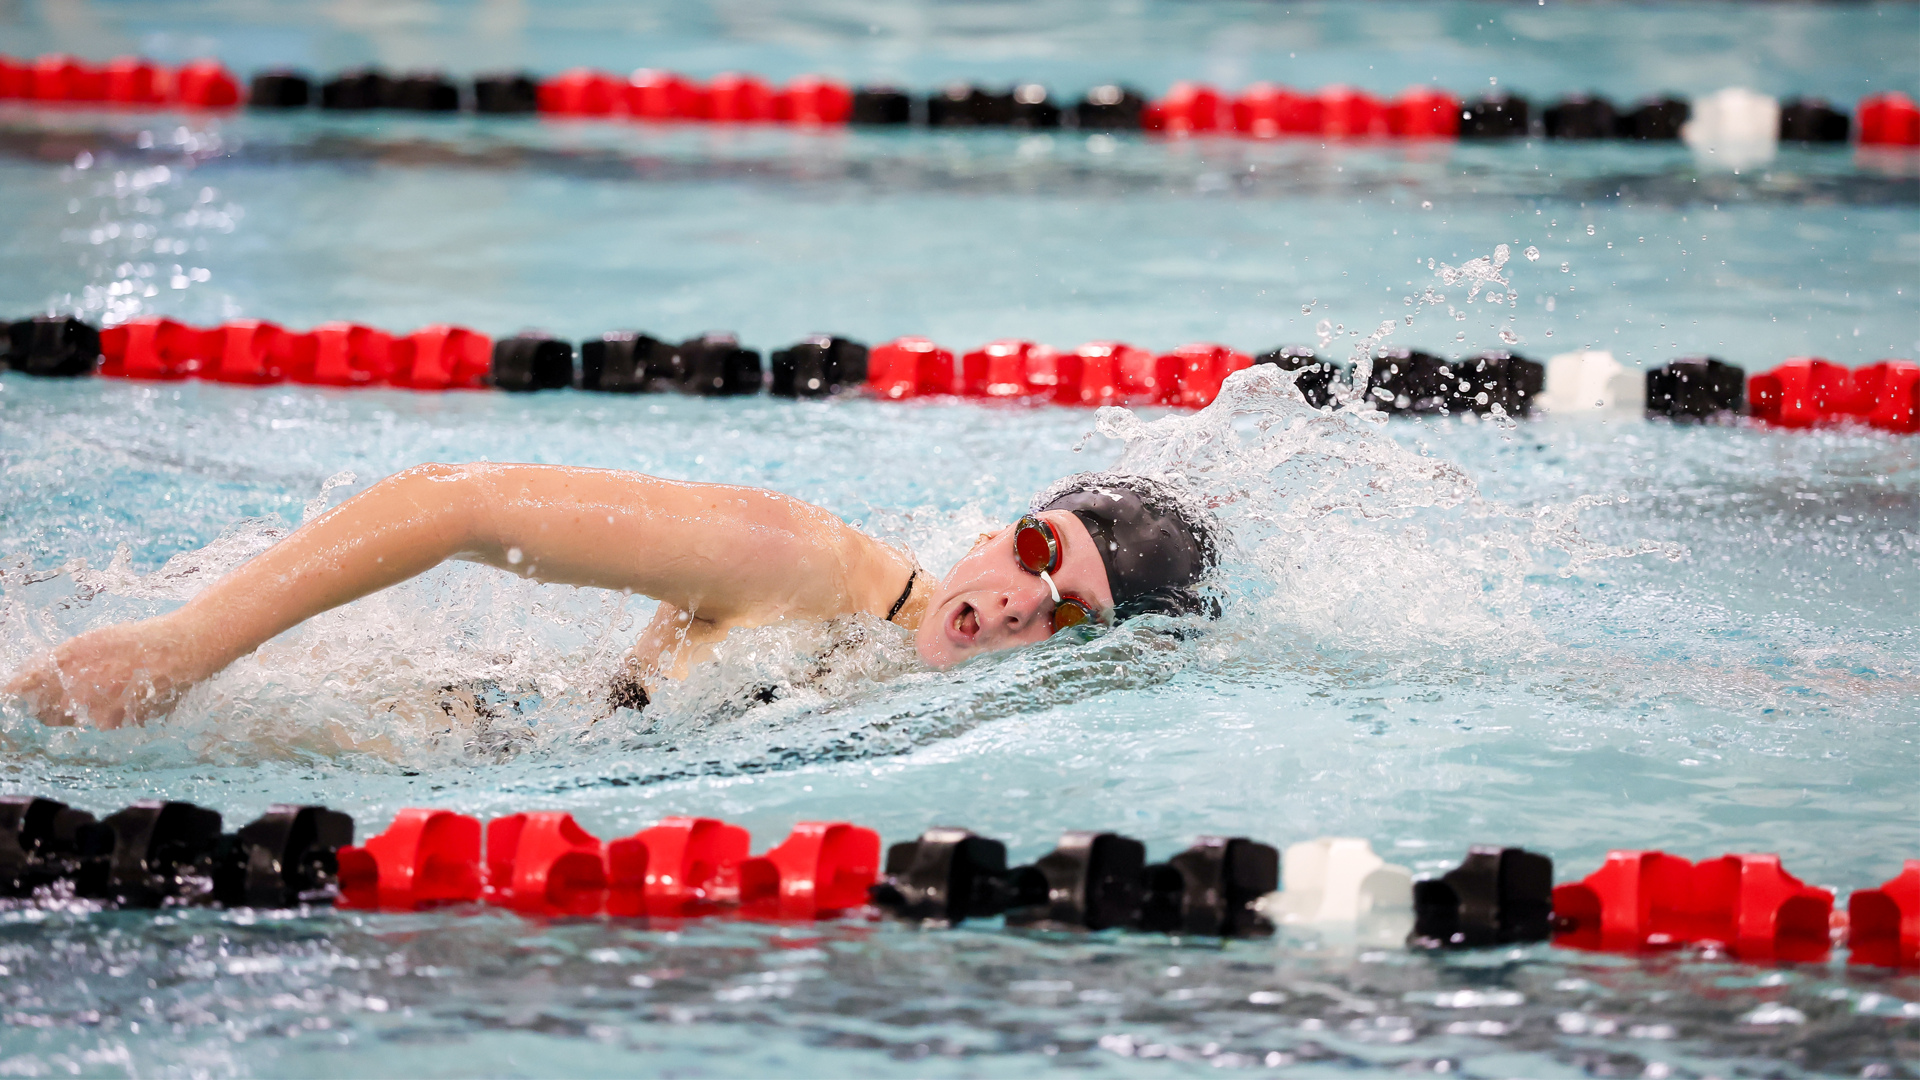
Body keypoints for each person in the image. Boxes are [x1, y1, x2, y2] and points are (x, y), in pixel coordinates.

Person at [4, 463, 1217, 729]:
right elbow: (451, 505)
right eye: (1036, 554)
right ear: (993, 529)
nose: (1017, 605)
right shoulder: (801, 560)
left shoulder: (911, 683)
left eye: (1064, 619)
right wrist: (184, 644)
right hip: (375, 739)